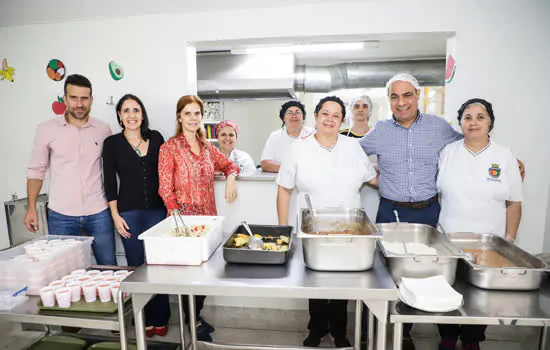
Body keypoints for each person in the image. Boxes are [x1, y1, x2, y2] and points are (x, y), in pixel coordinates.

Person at [359, 74, 525, 350]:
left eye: (407, 95)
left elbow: (473, 142)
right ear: (389, 100)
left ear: (418, 96)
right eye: (395, 97)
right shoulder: (380, 130)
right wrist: (371, 176)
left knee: (429, 276)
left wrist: (510, 161)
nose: (401, 103)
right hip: (390, 211)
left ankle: (419, 329)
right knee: (384, 275)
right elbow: (351, 153)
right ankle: (385, 332)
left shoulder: (439, 128)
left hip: (429, 213)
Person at [276, 96, 378, 348]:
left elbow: (371, 178)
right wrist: (283, 230)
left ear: (342, 120)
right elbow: (284, 189)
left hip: (348, 228)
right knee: (316, 279)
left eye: (336, 115)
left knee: (343, 279)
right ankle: (317, 328)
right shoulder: (298, 148)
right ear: (316, 117)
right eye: (325, 113)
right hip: (313, 228)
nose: (330, 119)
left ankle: (340, 331)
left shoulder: (352, 147)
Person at [436, 98, 522, 350]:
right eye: (467, 117)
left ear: (490, 122)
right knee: (449, 289)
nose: (473, 122)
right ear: (460, 123)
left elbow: (514, 202)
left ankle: (472, 339)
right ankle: (448, 336)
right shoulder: (447, 153)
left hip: (489, 241)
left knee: (481, 295)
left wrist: (509, 240)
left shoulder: (504, 156)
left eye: (480, 117)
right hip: (449, 238)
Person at [158, 95, 240, 342]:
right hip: (182, 223)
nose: (193, 118)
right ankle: (191, 321)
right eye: (188, 113)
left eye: (197, 114)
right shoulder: (169, 147)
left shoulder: (207, 149)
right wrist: (174, 214)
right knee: (186, 275)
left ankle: (194, 314)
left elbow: (230, 166)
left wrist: (231, 178)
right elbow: (164, 187)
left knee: (204, 272)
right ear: (179, 117)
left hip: (207, 220)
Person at [24, 74, 116, 266]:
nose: (79, 104)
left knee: (108, 267)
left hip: (99, 212)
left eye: (84, 98)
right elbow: (36, 170)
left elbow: (113, 169)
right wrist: (31, 208)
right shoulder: (46, 129)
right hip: (61, 214)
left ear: (91, 100)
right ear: (65, 99)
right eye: (74, 98)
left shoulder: (103, 129)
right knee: (65, 271)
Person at [102, 94, 170, 337]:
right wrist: (115, 215)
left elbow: (166, 173)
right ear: (119, 115)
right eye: (126, 110)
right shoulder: (111, 144)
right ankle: (143, 317)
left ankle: (161, 316)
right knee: (136, 267)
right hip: (128, 213)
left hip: (157, 212)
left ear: (143, 114)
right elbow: (109, 182)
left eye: (136, 110)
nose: (132, 115)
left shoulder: (157, 138)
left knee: (159, 265)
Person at [260, 100, 314, 173]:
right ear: (283, 118)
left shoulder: (313, 133)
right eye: (289, 113)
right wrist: (288, 169)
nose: (294, 116)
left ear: (303, 117)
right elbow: (265, 164)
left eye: (297, 112)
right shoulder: (275, 136)